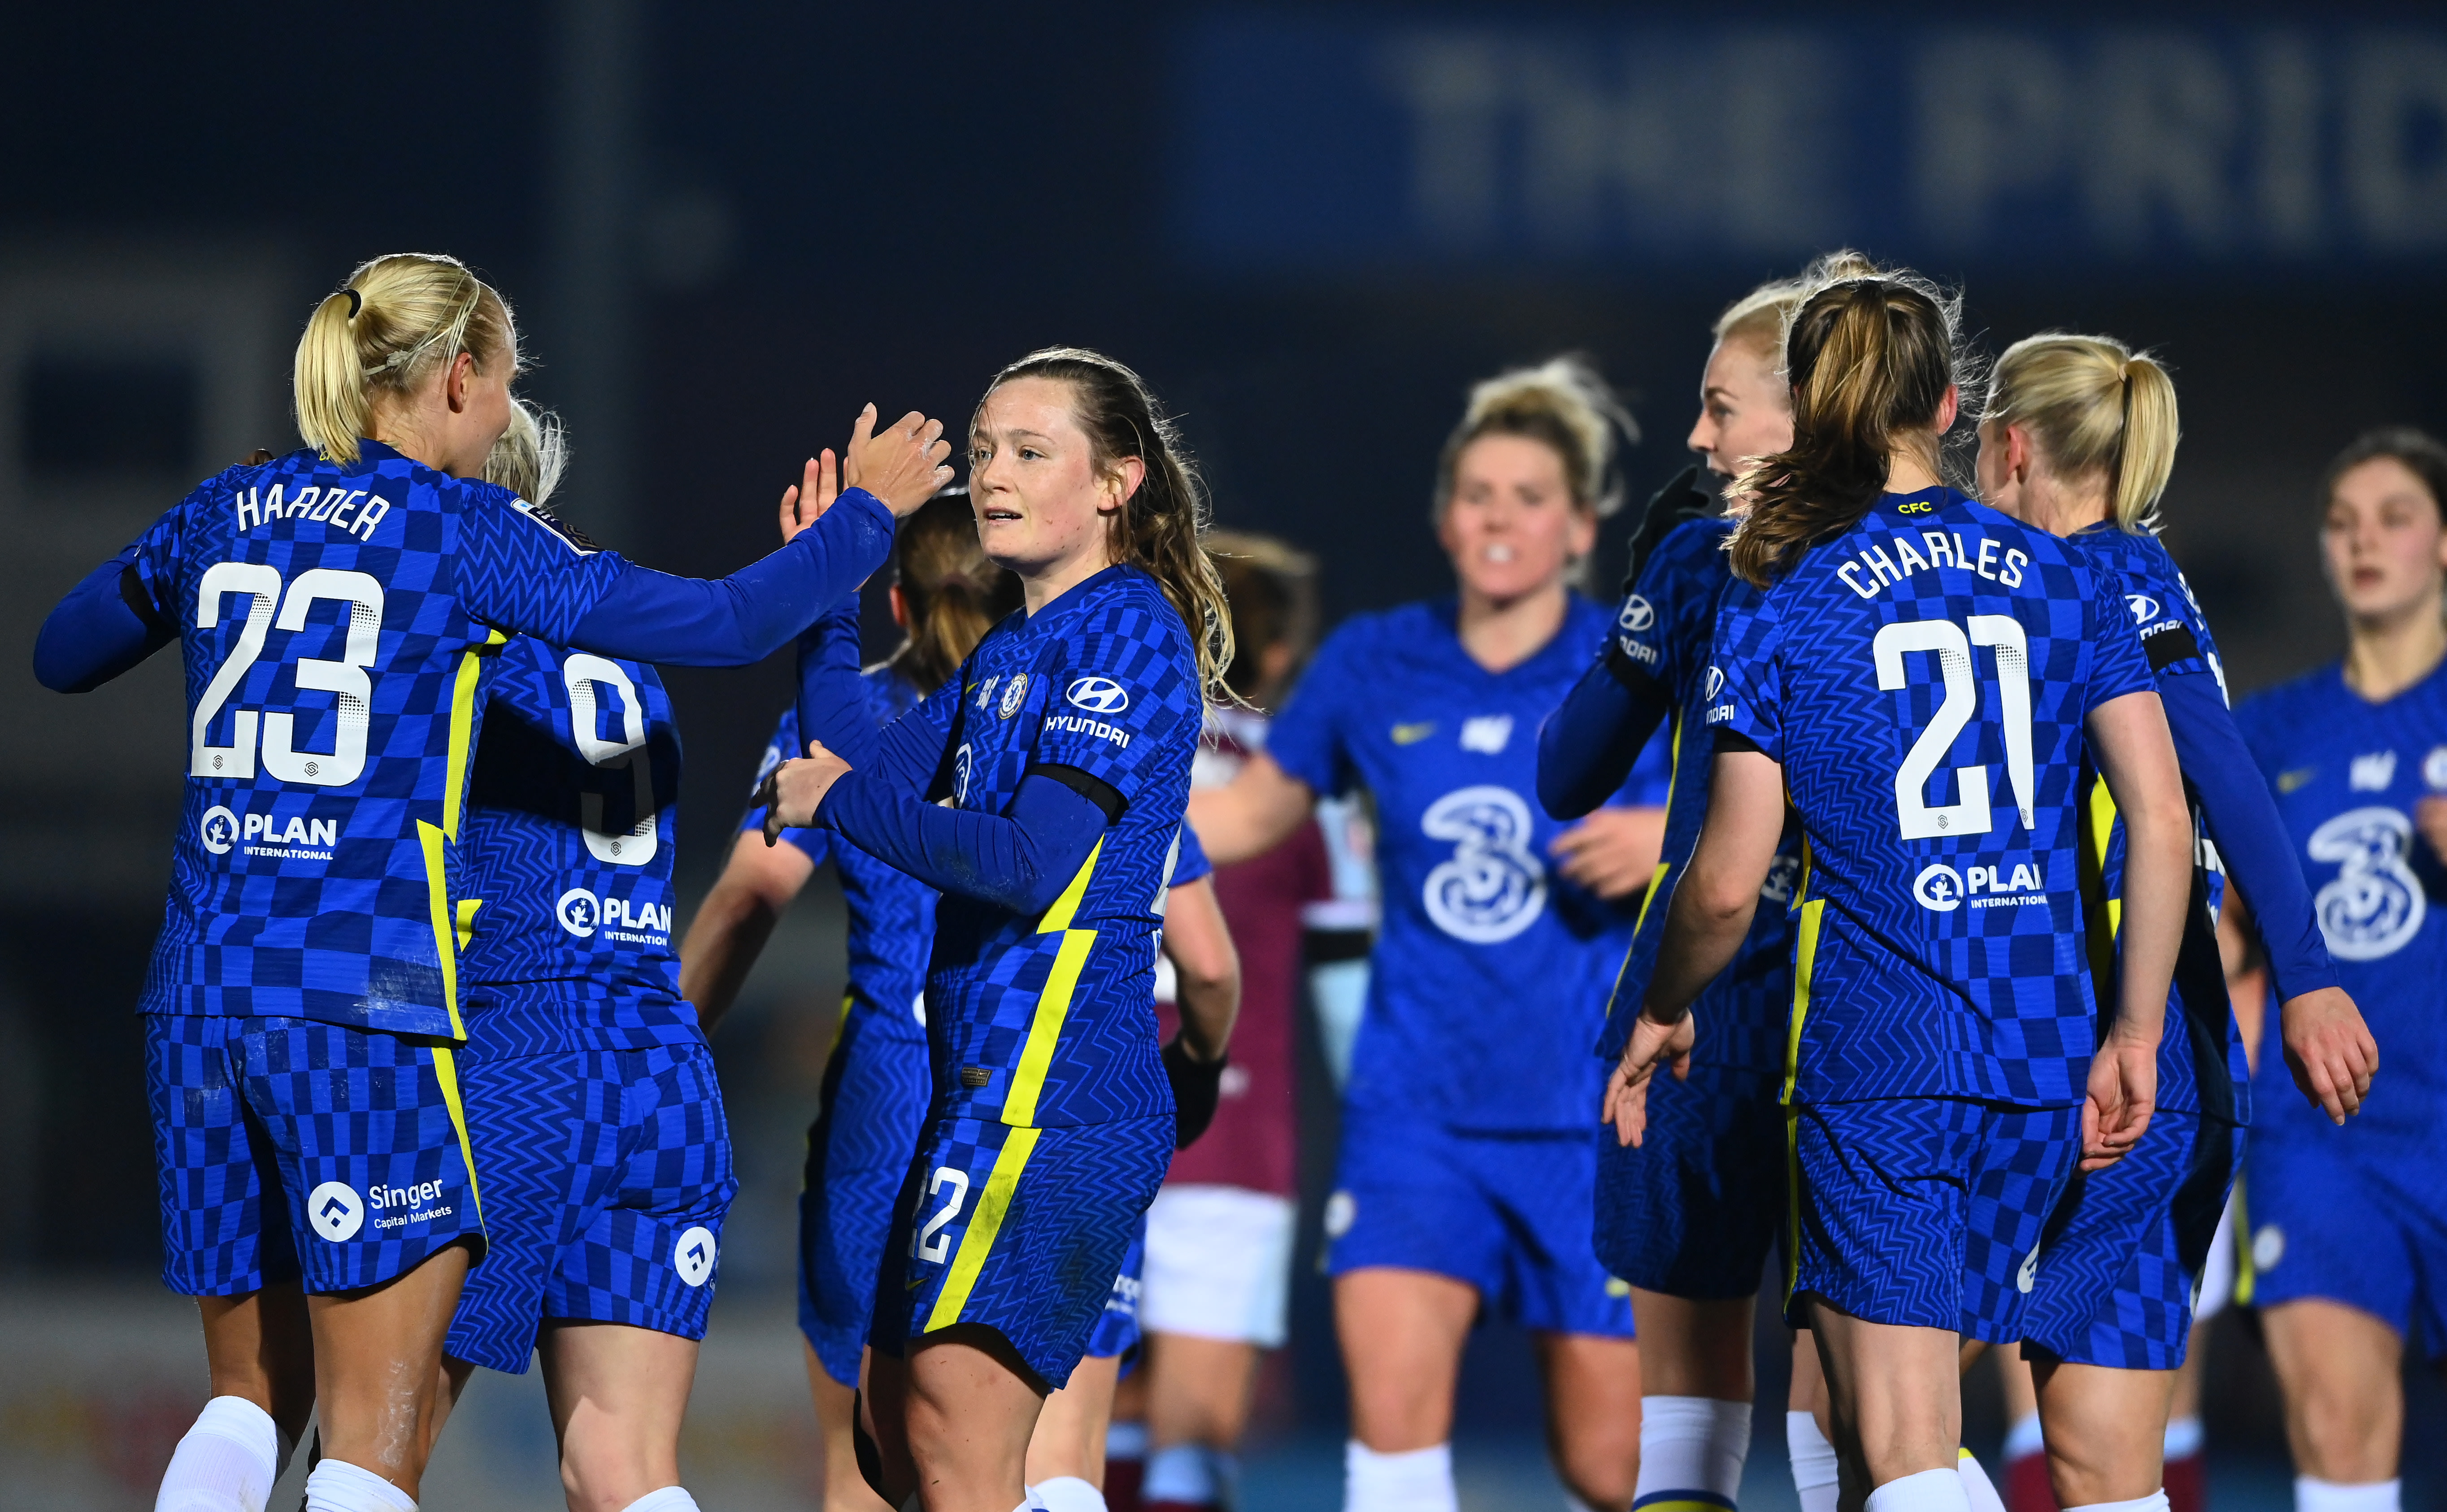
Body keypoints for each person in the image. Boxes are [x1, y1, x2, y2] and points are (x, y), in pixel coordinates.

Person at [30, 251, 949, 1512]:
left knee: (248, 1399)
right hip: (374, 999)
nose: (507, 417)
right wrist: (866, 522)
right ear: (459, 379)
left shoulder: (224, 508)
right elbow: (733, 622)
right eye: (506, 388)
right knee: (381, 1435)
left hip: (200, 992)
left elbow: (61, 650)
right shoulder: (464, 538)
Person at [1606, 260, 2195, 1512]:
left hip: (1885, 1056)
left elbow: (1723, 880)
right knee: (1901, 1445)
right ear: (1945, 409)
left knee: (1905, 1442)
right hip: (2043, 1053)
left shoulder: (1784, 595)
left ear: (1816, 414)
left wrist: (1662, 1004)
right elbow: (2157, 815)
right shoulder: (2067, 575)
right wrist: (2135, 1027)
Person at [684, 486, 1241, 1512]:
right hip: (1060, 1084)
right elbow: (1206, 963)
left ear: (898, 605)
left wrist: (670, 1053)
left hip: (904, 1094)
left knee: (875, 1464)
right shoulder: (1082, 723)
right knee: (1053, 1457)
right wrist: (1196, 1070)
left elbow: (746, 902)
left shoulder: (876, 712)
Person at [1189, 357, 1661, 1512]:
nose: (1499, 518)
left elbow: (1759, 815)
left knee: (1610, 1470)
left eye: (1528, 496)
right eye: (1478, 494)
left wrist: (1670, 837)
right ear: (1444, 516)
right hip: (1413, 1120)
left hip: (1588, 1118)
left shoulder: (1637, 665)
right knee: (1392, 1454)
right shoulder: (1373, 660)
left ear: (1581, 524)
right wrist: (1071, 803)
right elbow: (1247, 815)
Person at [1967, 334, 2374, 1512]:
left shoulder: (2092, 579)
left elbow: (2219, 780)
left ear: (2006, 444)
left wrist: (2305, 971)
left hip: (2081, 1053)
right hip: (2167, 1067)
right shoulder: (2131, 575)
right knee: (2100, 1459)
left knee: (1869, 1404)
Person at [1545, 258, 1871, 1512]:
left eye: (1721, 404)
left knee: (1686, 1419)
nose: (1696, 434)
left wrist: (1653, 596)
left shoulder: (1701, 565)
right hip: (1899, 1009)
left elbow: (1569, 771)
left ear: (1804, 414)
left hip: (1705, 1006)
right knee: (1882, 1416)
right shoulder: (1960, 566)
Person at [403, 398, 749, 1512]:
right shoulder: (630, 659)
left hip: (519, 1049)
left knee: (373, 1448)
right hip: (661, 1065)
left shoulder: (450, 631)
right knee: (622, 1470)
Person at [2230, 428, 2447, 1512]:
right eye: (2340, 522)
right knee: (2335, 1432)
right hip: (2319, 1135)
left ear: (2443, 542)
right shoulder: (2269, 729)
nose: (2363, 542)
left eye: (2393, 517)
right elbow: (2219, 930)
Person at [1109, 534, 1342, 1512]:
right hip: (1233, 1139)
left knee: (1081, 1419)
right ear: (1281, 655)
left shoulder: (1109, 749)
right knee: (1194, 1442)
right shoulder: (1296, 791)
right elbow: (1345, 989)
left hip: (1085, 1115)